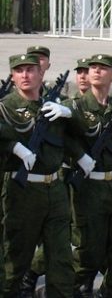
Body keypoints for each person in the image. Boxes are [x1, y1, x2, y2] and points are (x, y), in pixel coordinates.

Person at [0, 53, 81, 298]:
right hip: (23, 191)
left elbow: (80, 131)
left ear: (40, 73)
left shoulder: (52, 105)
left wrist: (68, 112)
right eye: (19, 70)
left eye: (30, 70)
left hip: (55, 190)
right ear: (13, 76)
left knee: (60, 261)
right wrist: (14, 146)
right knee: (15, 259)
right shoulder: (6, 107)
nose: (25, 75)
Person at [66, 53, 112, 298]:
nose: (96, 71)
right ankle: (66, 290)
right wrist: (79, 155)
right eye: (93, 68)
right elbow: (64, 139)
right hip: (90, 188)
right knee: (89, 252)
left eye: (103, 68)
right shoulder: (75, 107)